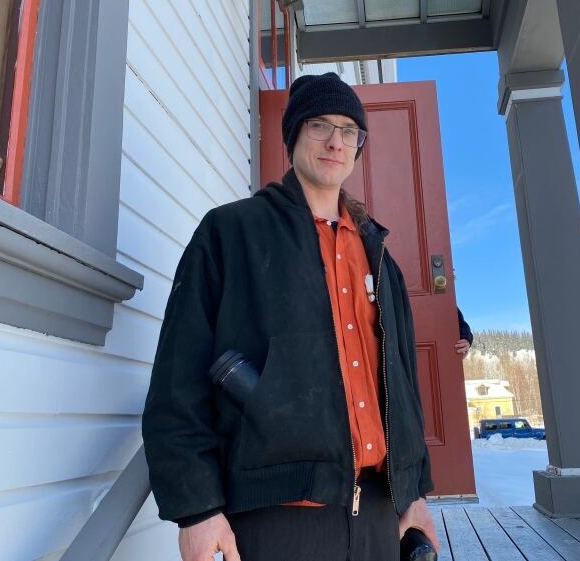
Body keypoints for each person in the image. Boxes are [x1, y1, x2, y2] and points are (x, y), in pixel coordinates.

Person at [142, 72, 439, 561]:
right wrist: (196, 508)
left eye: (349, 130)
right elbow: (179, 378)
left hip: (380, 516)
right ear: (294, 133)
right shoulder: (230, 233)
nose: (335, 141)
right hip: (276, 516)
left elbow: (404, 386)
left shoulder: (380, 258)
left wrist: (416, 490)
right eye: (319, 124)